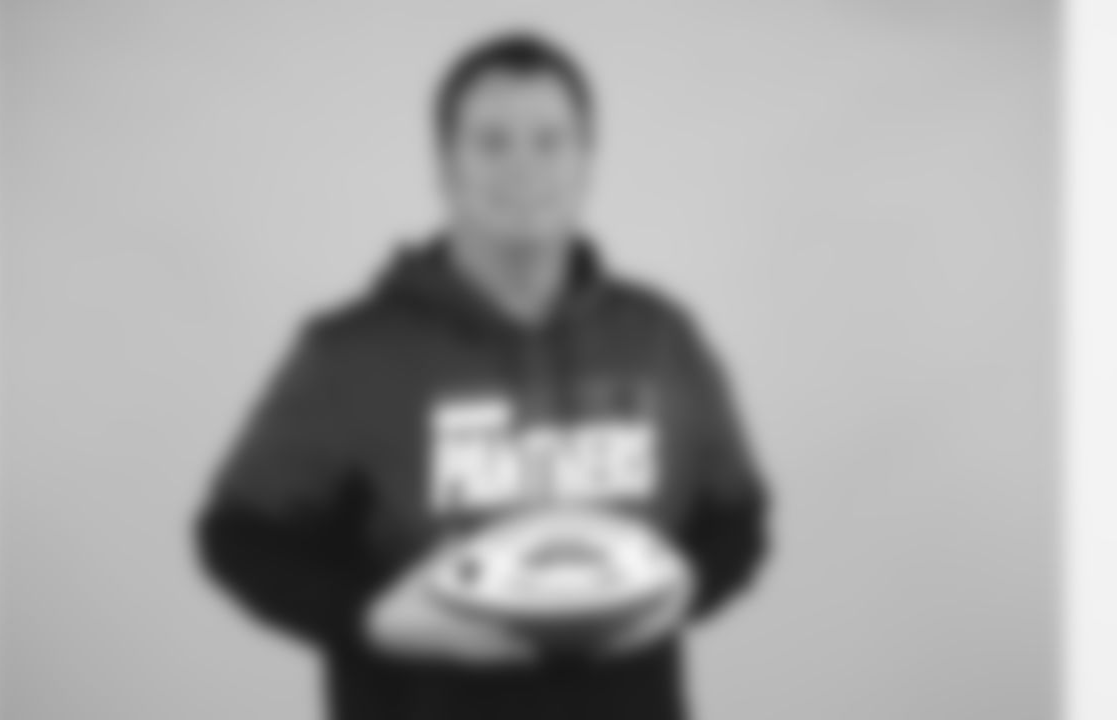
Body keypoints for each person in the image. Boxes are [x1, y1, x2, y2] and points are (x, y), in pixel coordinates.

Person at [194, 28, 773, 720]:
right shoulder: (348, 353)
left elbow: (737, 518)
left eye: (549, 141)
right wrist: (370, 620)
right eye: (492, 142)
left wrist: (689, 590)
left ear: (586, 162)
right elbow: (238, 535)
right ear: (445, 166)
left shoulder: (661, 338)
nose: (523, 167)